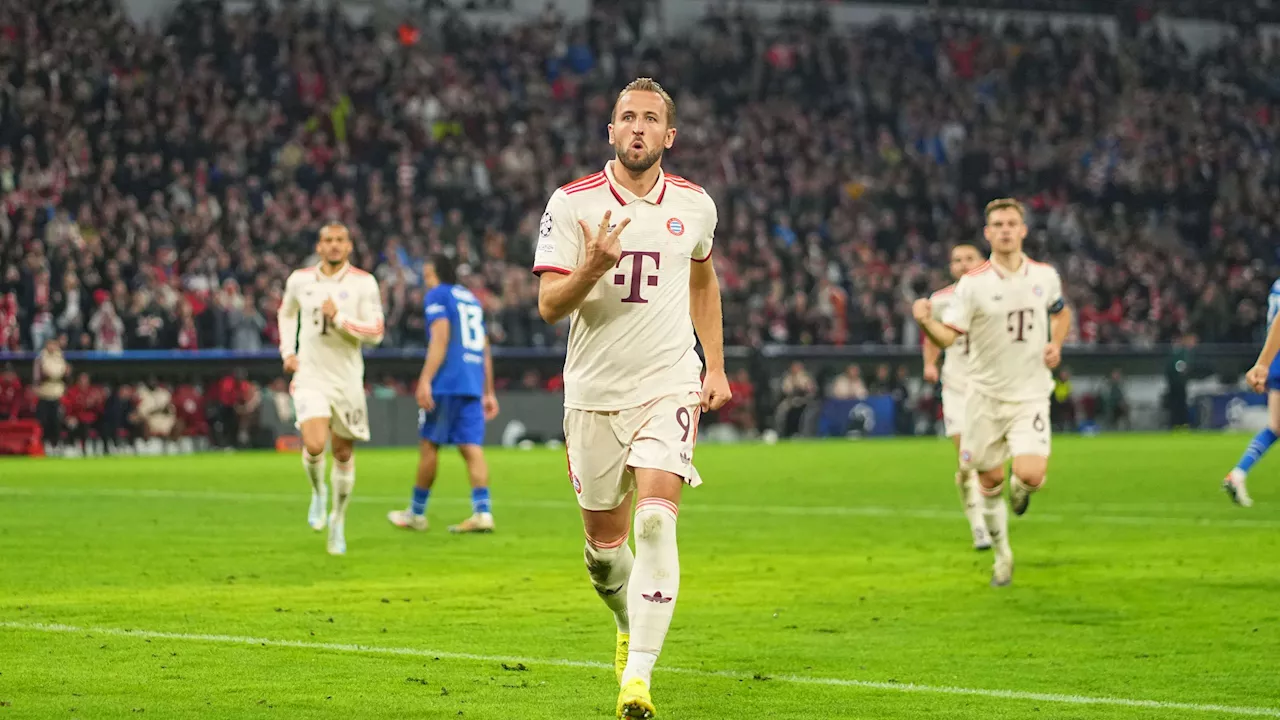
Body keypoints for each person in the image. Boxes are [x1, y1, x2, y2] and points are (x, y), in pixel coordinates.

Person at [532, 77, 731, 719]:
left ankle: (637, 680)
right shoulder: (571, 204)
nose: (638, 127)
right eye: (627, 118)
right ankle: (624, 621)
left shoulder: (697, 206)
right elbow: (547, 306)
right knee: (604, 552)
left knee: (655, 518)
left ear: (668, 136)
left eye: (650, 119)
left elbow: (703, 278)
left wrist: (714, 366)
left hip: (667, 382)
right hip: (592, 394)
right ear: (611, 131)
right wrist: (592, 266)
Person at [912, 198, 1072, 587]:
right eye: (997, 224)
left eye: (1011, 223)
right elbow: (948, 337)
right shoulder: (973, 285)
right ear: (988, 233)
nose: (1004, 229)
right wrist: (926, 324)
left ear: (1023, 230)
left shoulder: (1045, 276)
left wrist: (1057, 344)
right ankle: (1003, 556)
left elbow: (1061, 312)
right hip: (982, 397)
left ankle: (1022, 492)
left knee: (1032, 475)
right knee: (988, 480)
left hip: (1031, 393)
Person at [277, 223, 385, 555]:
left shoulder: (363, 283)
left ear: (349, 246)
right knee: (312, 444)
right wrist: (288, 351)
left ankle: (337, 520)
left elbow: (376, 331)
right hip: (311, 375)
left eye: (340, 240)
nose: (334, 246)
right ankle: (318, 492)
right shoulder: (300, 280)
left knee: (342, 453)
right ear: (319, 246)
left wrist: (340, 320)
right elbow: (286, 313)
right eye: (328, 241)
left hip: (348, 380)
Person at [388, 254, 501, 534]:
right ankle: (483, 513)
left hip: (448, 381)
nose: (426, 282)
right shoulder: (471, 299)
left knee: (429, 445)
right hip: (473, 381)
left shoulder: (438, 295)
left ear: (434, 273)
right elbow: (484, 347)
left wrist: (425, 379)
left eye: (427, 276)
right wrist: (488, 391)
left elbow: (440, 337)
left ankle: (415, 513)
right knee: (471, 448)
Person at [921, 243, 992, 551]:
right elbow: (933, 336)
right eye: (956, 260)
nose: (962, 264)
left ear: (982, 261)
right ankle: (978, 526)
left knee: (993, 462)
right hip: (958, 389)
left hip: (993, 388)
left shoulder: (997, 295)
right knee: (967, 461)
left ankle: (996, 506)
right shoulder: (940, 300)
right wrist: (929, 363)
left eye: (968, 258)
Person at [1226, 279, 1280, 506]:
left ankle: (1238, 474)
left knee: (1275, 426)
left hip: (1276, 357)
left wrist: (1265, 363)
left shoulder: (1277, 285)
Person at [33, 338, 69, 455]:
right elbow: (39, 376)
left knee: (56, 421)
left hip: (57, 394)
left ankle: (56, 445)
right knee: (44, 421)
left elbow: (64, 373)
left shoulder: (60, 356)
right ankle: (44, 444)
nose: (52, 346)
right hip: (44, 394)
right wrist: (54, 375)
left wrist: (55, 375)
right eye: (50, 344)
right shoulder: (40, 357)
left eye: (54, 344)